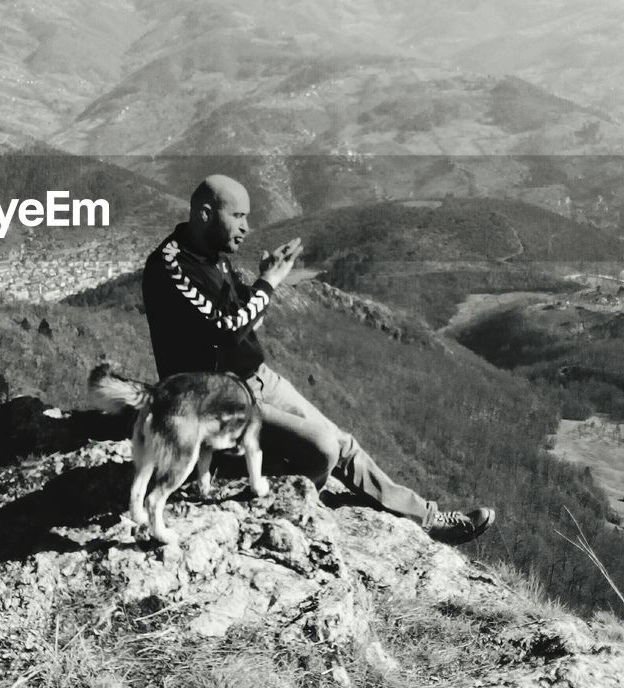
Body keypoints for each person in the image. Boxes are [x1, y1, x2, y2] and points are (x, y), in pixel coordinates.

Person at [140, 174, 494, 545]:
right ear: (205, 213)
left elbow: (242, 315)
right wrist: (269, 283)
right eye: (239, 216)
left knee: (342, 444)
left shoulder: (216, 257)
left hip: (254, 379)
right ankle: (244, 477)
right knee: (323, 449)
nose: (246, 227)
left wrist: (260, 282)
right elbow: (227, 328)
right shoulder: (171, 266)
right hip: (213, 401)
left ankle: (427, 517)